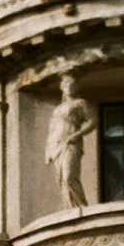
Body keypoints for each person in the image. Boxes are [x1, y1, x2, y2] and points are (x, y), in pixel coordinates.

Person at [45, 74, 95, 210]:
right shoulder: (58, 109)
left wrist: (78, 134)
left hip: (71, 142)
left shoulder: (80, 104)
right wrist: (48, 150)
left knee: (69, 176)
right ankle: (69, 208)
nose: (70, 88)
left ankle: (81, 206)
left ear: (76, 88)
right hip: (57, 144)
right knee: (61, 179)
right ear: (62, 88)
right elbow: (52, 129)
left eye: (72, 85)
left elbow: (92, 121)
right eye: (67, 85)